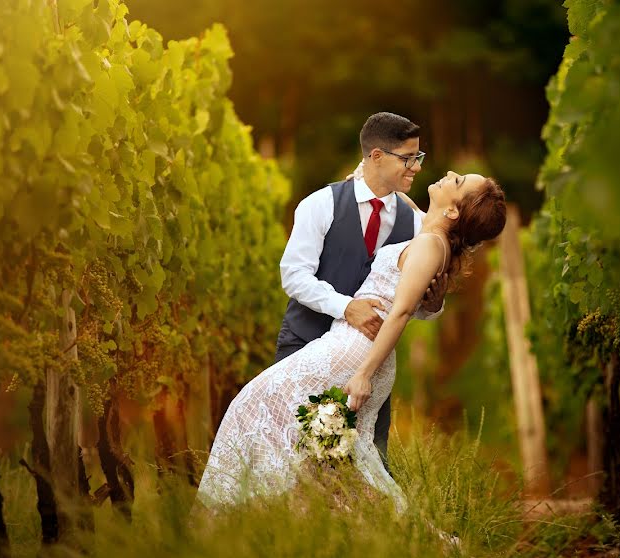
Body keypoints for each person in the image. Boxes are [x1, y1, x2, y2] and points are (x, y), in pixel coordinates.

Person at [195, 170, 507, 511]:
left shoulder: (431, 246)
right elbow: (410, 208)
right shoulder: (431, 234)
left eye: (458, 181)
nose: (449, 175)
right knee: (327, 451)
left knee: (254, 404)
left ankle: (227, 516)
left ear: (453, 212)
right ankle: (309, 516)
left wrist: (364, 374)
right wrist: (369, 176)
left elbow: (400, 314)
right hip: (354, 344)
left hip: (359, 350)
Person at [275, 112, 447, 471]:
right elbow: (293, 275)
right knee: (291, 461)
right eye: (408, 158)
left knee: (366, 464)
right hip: (306, 344)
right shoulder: (320, 204)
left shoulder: (415, 224)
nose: (416, 167)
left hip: (368, 365)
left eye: (419, 157)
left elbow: (415, 307)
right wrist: (345, 306)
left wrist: (433, 303)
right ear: (377, 156)